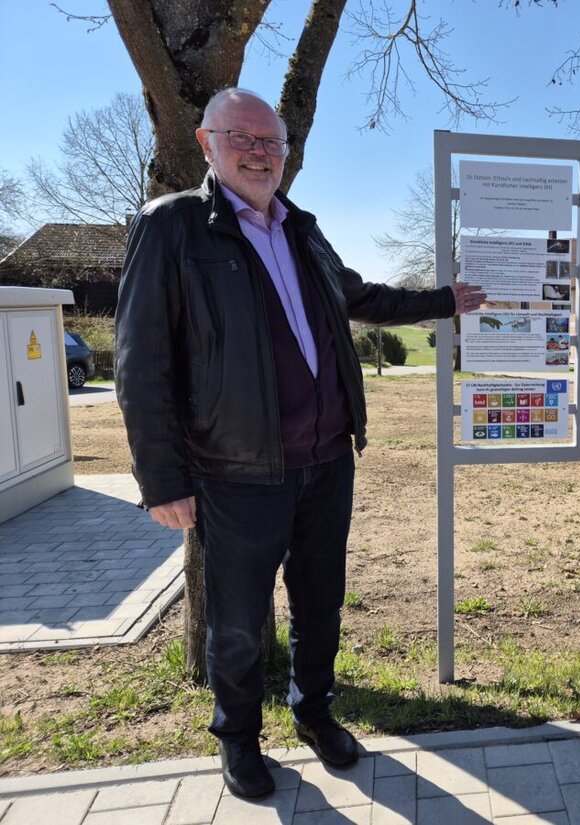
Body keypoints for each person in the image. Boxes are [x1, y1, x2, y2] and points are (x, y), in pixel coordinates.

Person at [115, 88, 486, 799]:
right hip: (236, 471)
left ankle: (314, 711)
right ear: (207, 142)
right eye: (242, 138)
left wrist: (444, 300)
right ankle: (239, 738)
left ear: (286, 154)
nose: (259, 152)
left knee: (321, 604)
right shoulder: (172, 228)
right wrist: (162, 479)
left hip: (325, 461)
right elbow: (141, 362)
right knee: (237, 618)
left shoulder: (303, 228)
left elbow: (359, 296)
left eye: (270, 142)